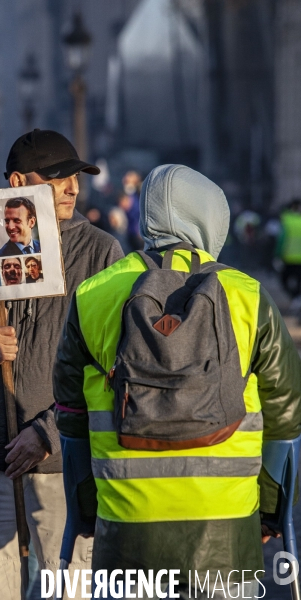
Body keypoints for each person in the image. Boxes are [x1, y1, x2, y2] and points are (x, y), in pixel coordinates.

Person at [54, 164, 301, 599]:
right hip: (226, 532)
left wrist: (86, 513)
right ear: (210, 217)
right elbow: (285, 414)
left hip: (127, 531)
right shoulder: (247, 295)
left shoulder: (93, 295)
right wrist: (269, 512)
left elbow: (71, 415)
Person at [0, 128, 124, 600]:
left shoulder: (99, 253)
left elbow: (111, 365)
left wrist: (49, 432)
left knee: (65, 576)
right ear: (17, 183)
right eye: (57, 177)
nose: (73, 187)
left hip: (62, 455)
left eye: (76, 177)